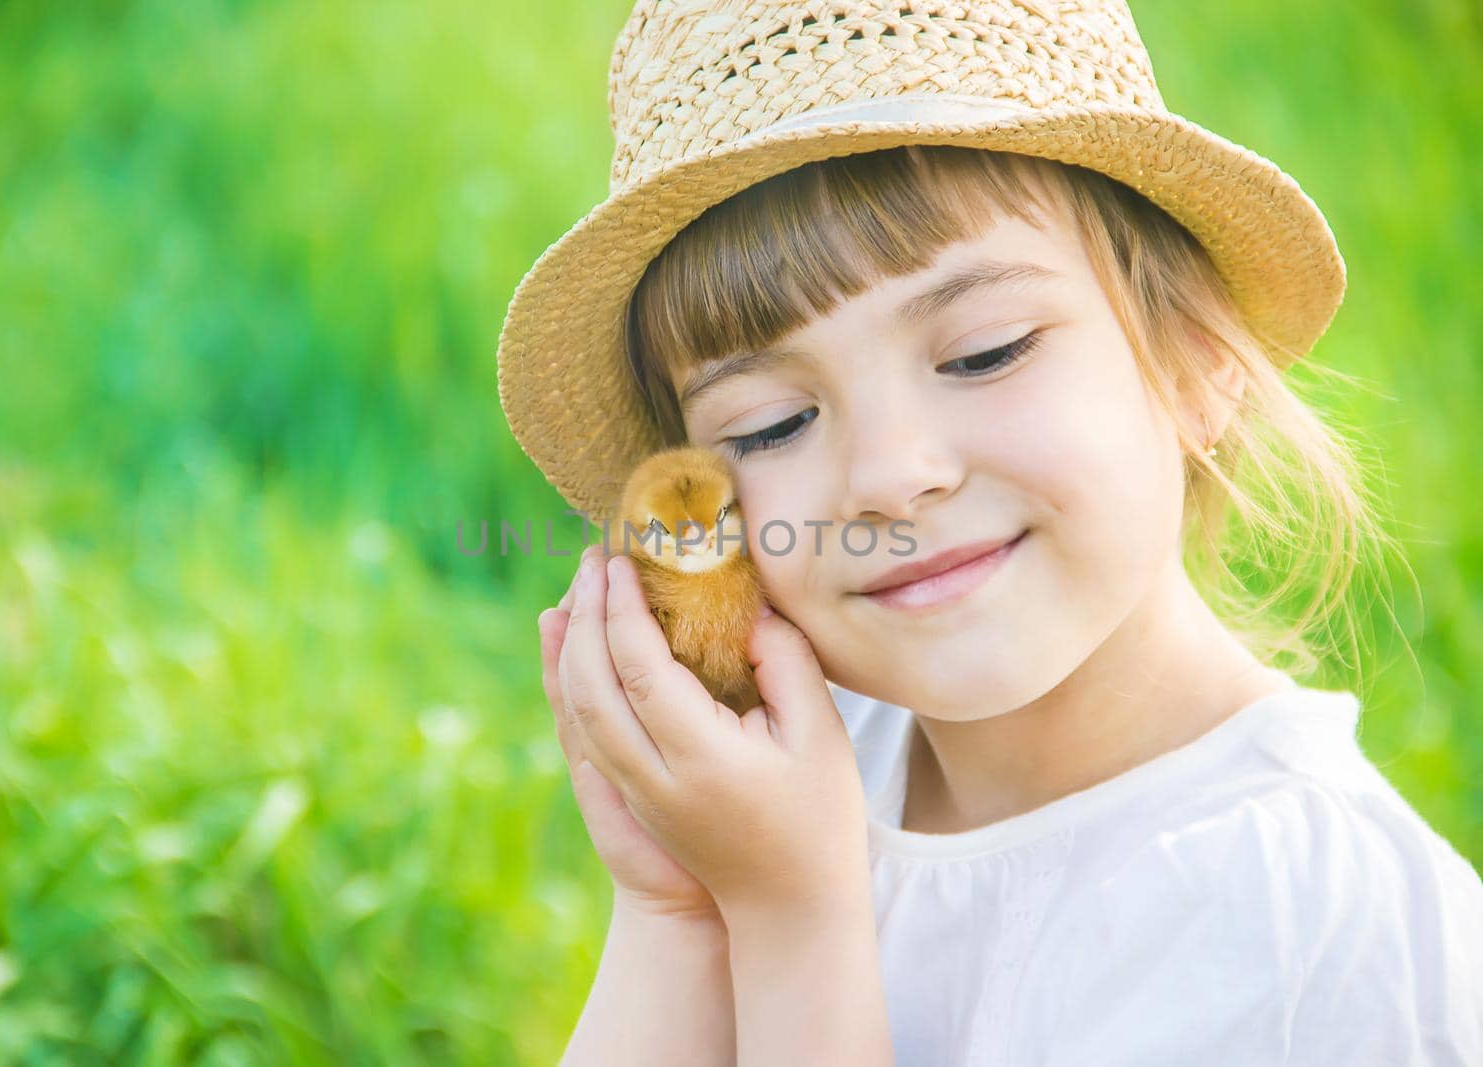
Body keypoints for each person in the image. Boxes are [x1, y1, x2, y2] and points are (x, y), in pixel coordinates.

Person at [498, 1, 1483, 1063]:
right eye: (770, 424)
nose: (888, 475)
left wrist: (790, 916)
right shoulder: (783, 780)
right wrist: (680, 907)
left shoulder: (1327, 931)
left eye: (984, 352)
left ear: (1201, 360)